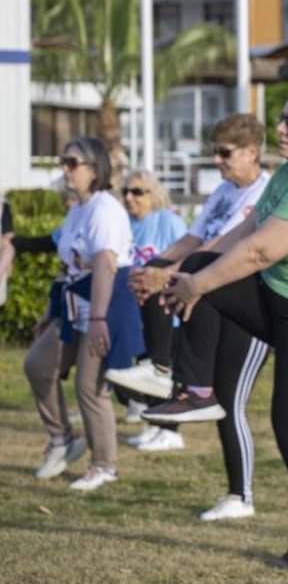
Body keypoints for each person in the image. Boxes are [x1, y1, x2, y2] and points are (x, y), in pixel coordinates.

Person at [141, 88, 288, 572]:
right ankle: (197, 388)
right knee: (205, 265)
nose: (282, 129)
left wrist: (195, 285)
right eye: (281, 119)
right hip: (284, 302)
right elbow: (242, 235)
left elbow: (260, 253)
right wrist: (186, 275)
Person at [110, 115, 273, 525]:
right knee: (214, 398)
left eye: (224, 152)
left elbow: (222, 247)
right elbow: (193, 239)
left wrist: (171, 272)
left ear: (252, 151)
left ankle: (243, 495)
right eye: (213, 152)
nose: (217, 161)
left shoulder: (264, 190)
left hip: (252, 310)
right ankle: (161, 365)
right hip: (219, 302)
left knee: (231, 403)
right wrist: (159, 265)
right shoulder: (222, 191)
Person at [25, 136, 144, 491]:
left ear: (95, 170)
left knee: (89, 388)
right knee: (37, 365)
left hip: (104, 307)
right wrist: (51, 310)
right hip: (75, 305)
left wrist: (98, 320)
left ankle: (104, 464)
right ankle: (63, 438)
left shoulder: (106, 209)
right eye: (64, 162)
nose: (65, 169)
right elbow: (69, 267)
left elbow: (106, 266)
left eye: (72, 163)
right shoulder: (78, 207)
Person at [107, 170, 187, 444]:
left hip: (167, 312)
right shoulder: (125, 224)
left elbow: (189, 257)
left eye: (137, 191)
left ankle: (171, 431)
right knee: (145, 371)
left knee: (164, 371)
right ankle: (155, 425)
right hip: (136, 313)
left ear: (154, 193)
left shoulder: (168, 221)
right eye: (126, 192)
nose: (130, 198)